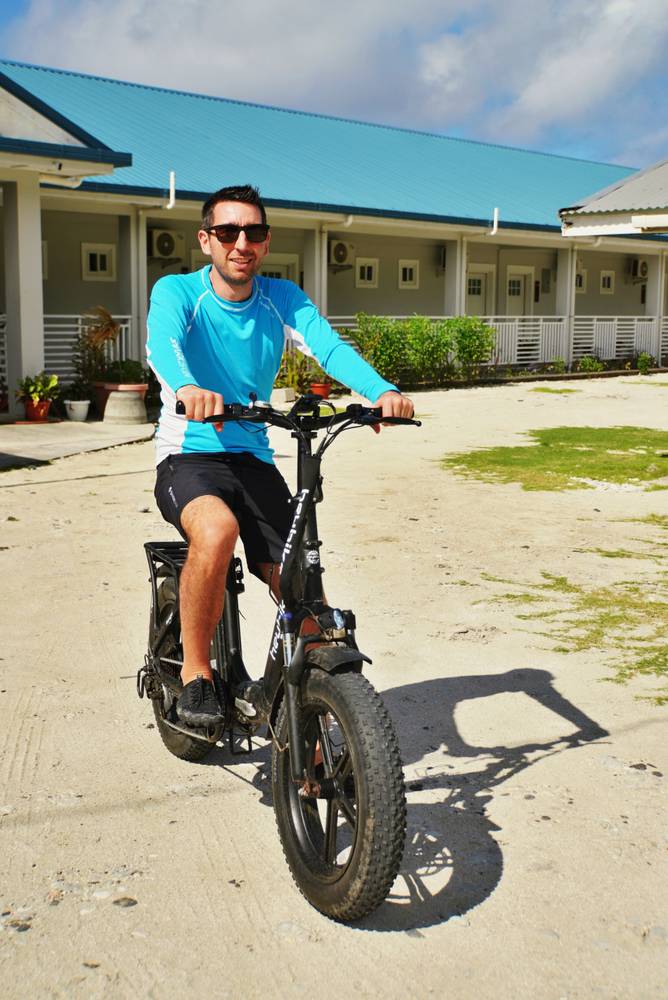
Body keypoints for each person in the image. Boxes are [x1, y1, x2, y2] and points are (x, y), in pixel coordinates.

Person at [147, 184, 414, 726]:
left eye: (254, 232)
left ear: (265, 243)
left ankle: (318, 710)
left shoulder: (282, 297)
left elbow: (329, 346)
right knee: (217, 532)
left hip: (253, 457)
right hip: (190, 454)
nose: (241, 243)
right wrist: (186, 387)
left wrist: (381, 392)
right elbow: (162, 343)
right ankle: (197, 673)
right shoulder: (178, 292)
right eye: (228, 232)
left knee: (296, 577)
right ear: (207, 240)